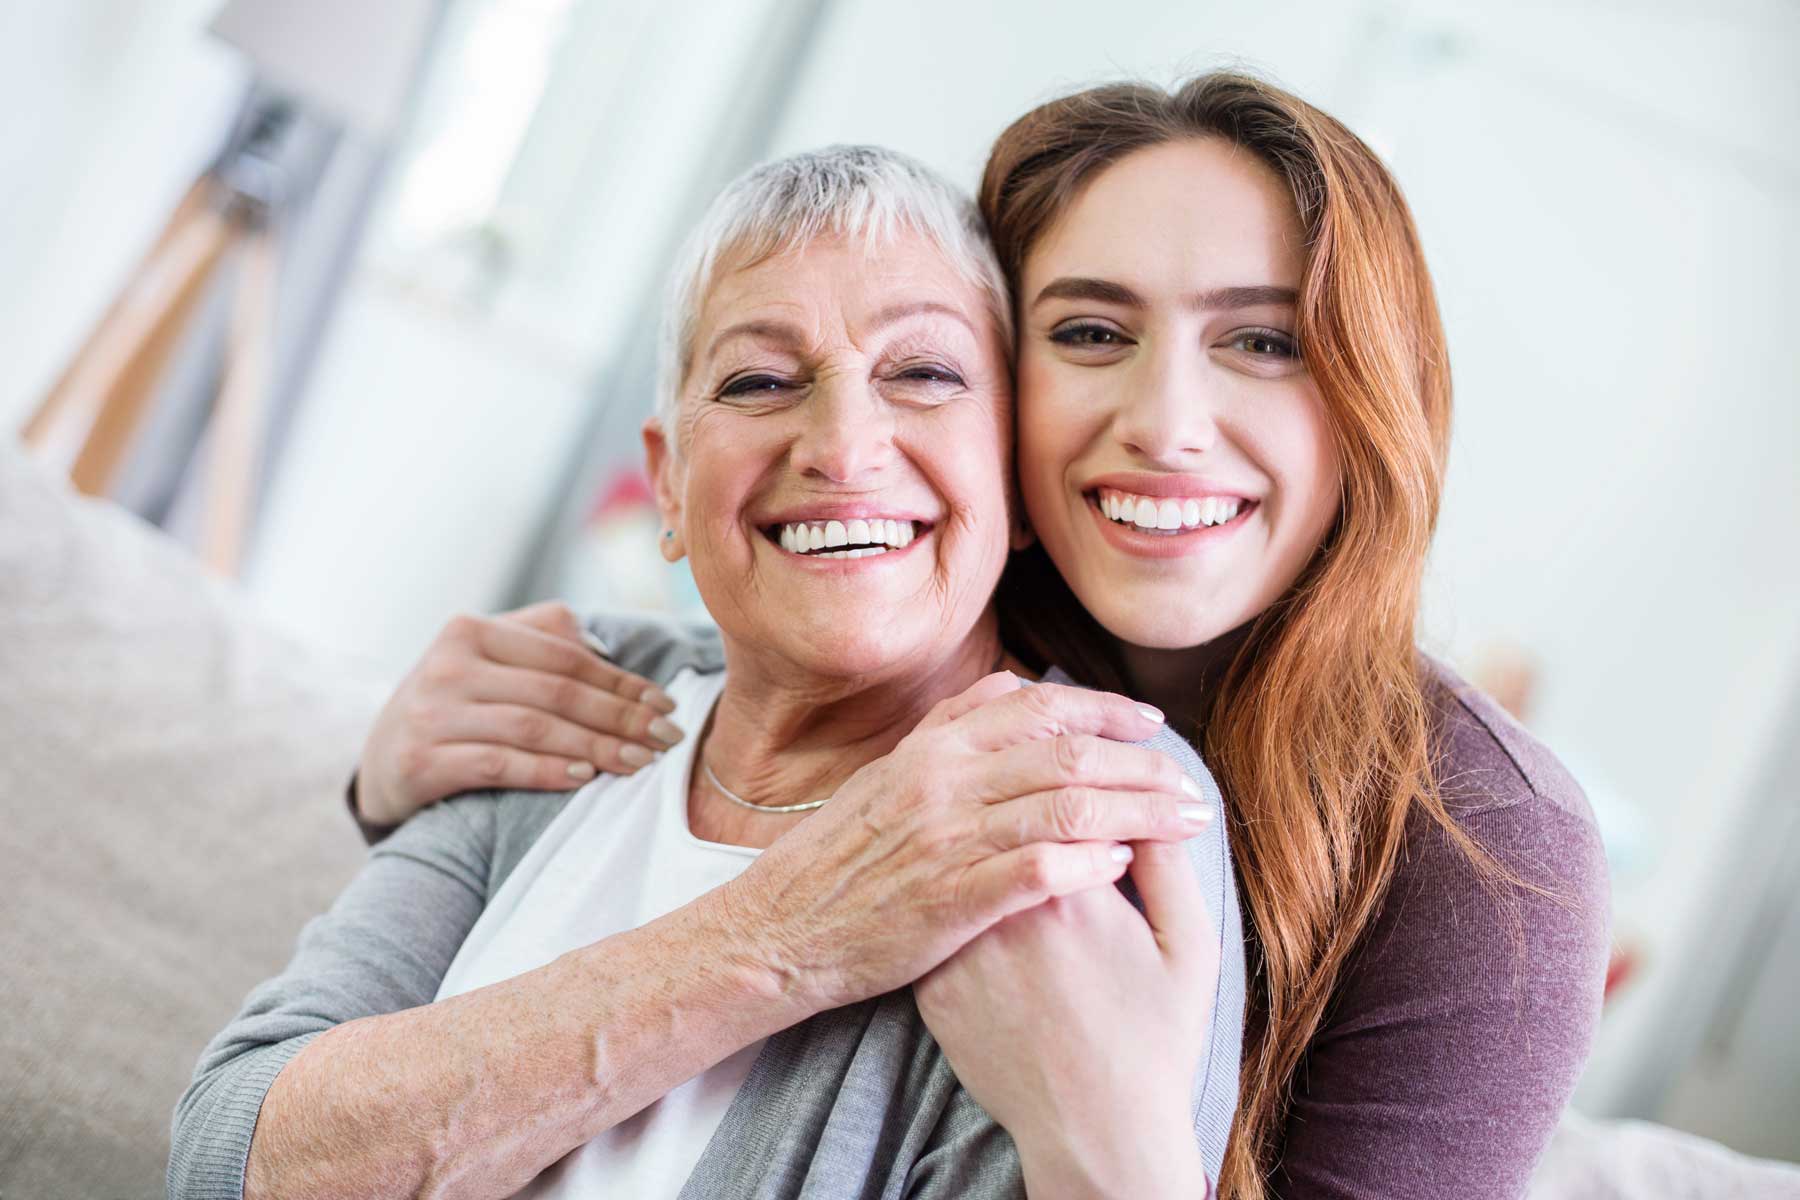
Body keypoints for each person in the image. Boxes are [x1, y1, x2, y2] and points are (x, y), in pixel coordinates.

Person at [353, 73, 1612, 1199]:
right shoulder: (920, 628)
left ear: (1374, 392)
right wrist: (394, 780)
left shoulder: (1489, 846)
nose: (1167, 423)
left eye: (1263, 341)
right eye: (1089, 333)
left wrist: (1106, 1131)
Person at [169, 146, 1240, 1200]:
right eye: (761, 381)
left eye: (923, 373)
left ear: (1013, 476)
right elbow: (231, 1158)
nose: (843, 446)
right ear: (668, 485)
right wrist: (782, 934)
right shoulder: (575, 694)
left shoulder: (1090, 806)